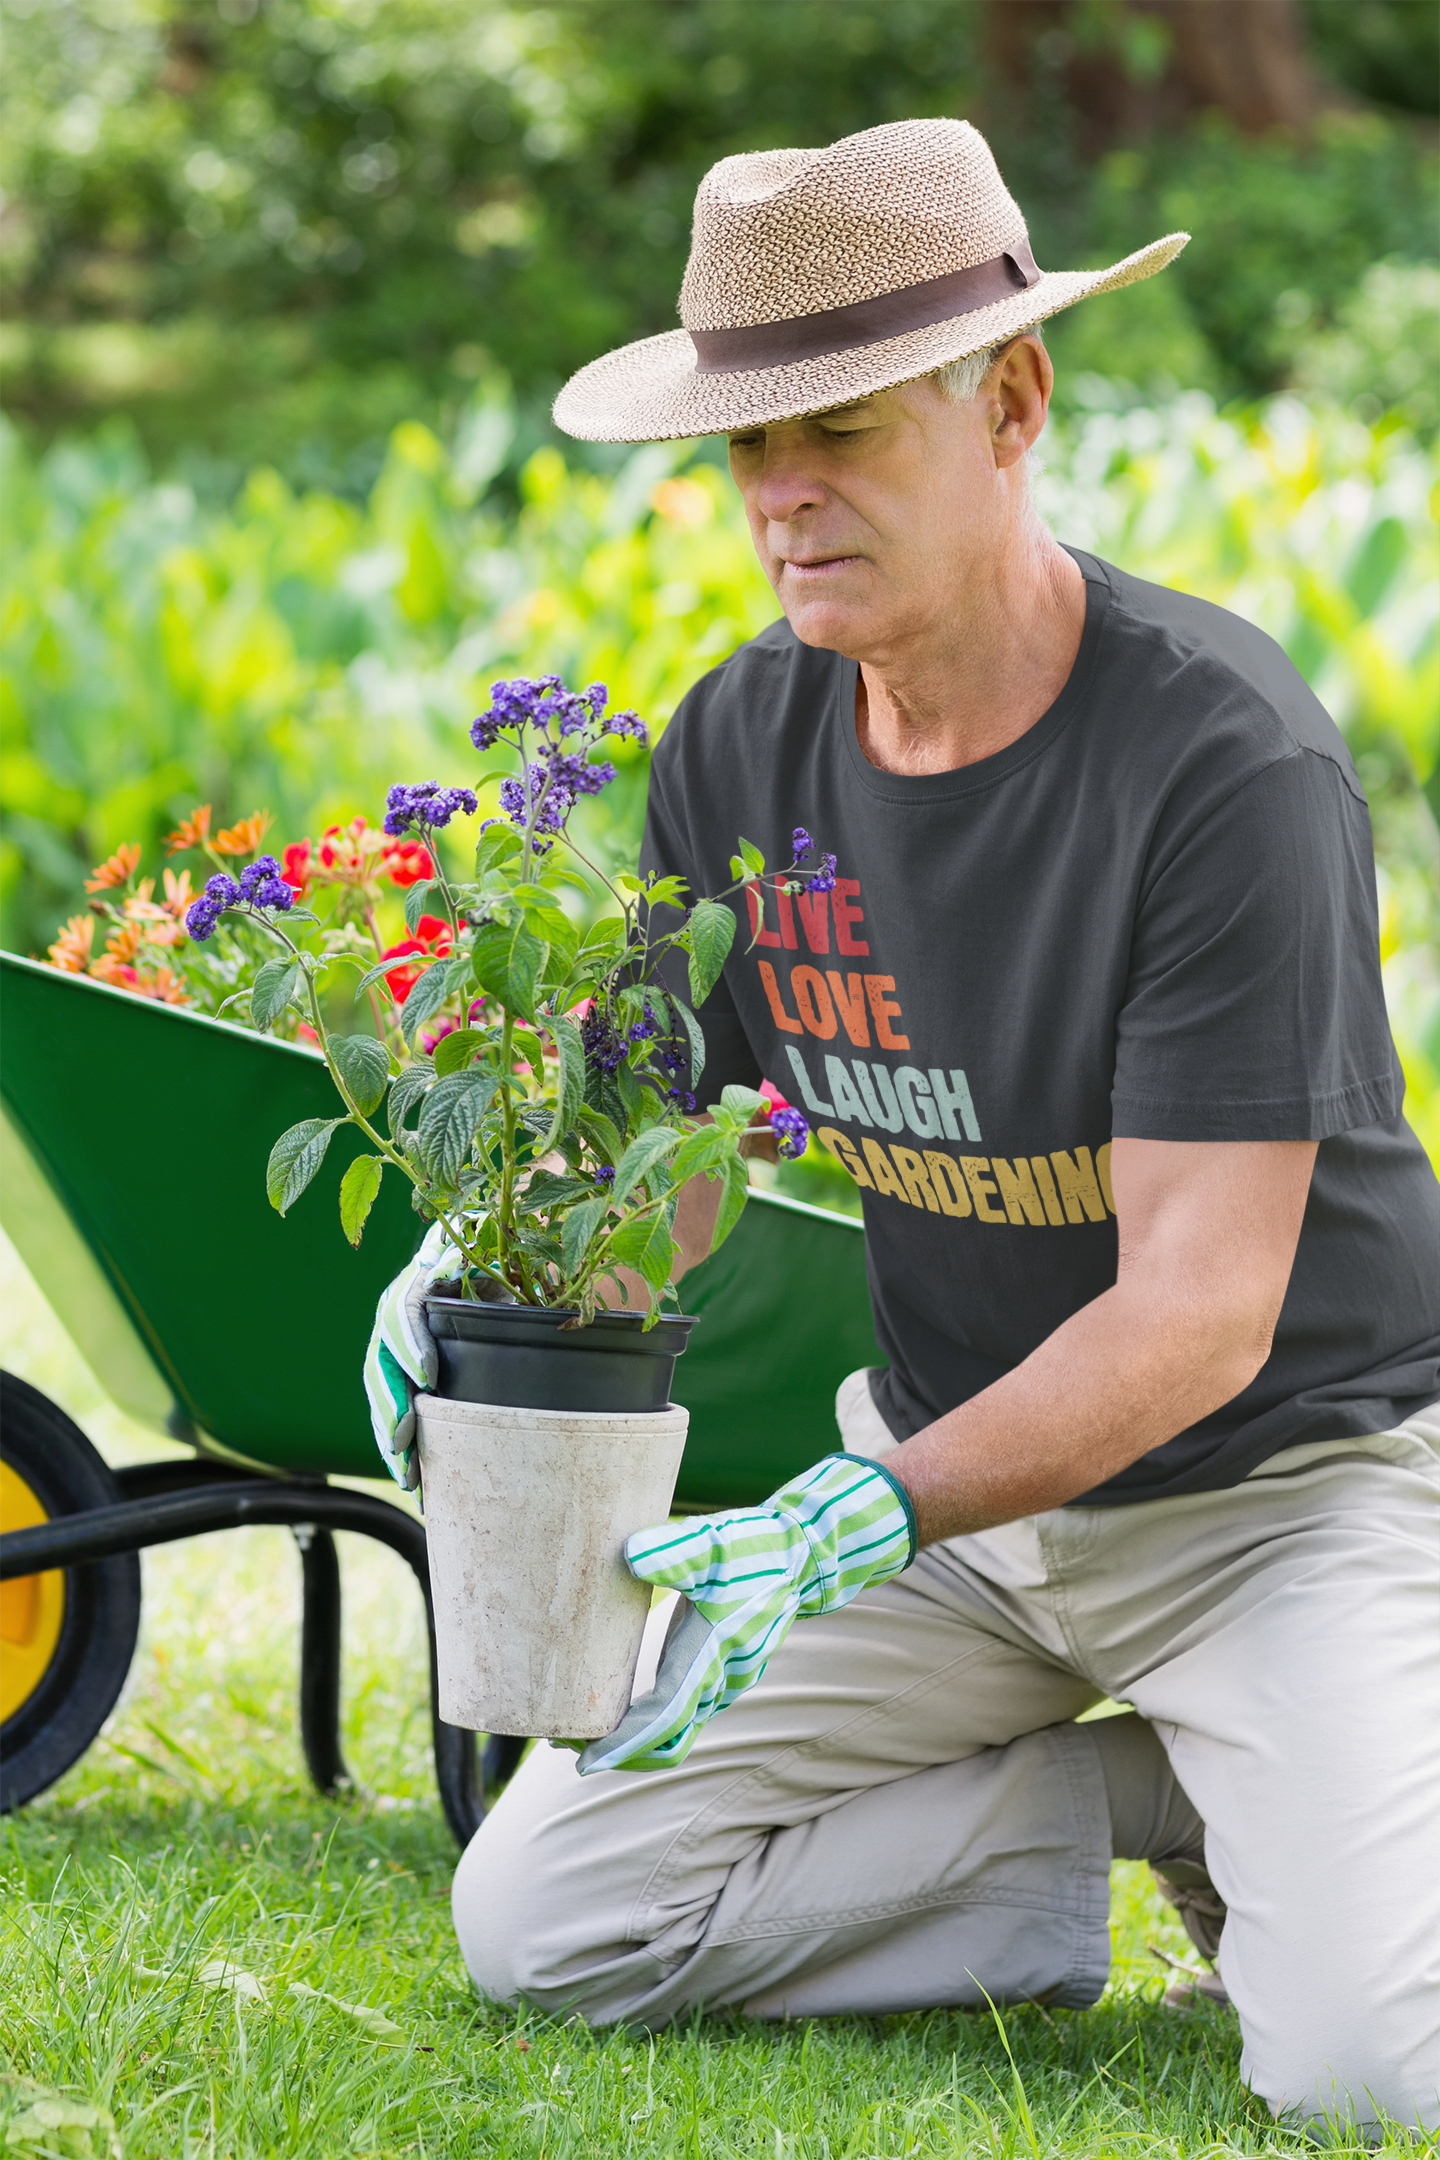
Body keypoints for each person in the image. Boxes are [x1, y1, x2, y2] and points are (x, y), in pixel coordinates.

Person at [448, 118, 1440, 2135]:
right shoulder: (741, 740)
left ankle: (1293, 1758)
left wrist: (871, 1510)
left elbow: (1199, 1319)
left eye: (842, 429)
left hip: (1275, 1500)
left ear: (1013, 401)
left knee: (1367, 2072)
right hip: (945, 1508)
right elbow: (667, 1170)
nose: (780, 498)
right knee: (543, 1926)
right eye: (745, 446)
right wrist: (500, 1302)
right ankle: (1147, 1791)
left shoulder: (1220, 763)